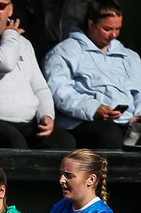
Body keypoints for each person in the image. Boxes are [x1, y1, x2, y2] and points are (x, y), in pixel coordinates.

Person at [0, 0, 75, 149]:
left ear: (10, 10)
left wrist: (46, 115)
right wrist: (11, 34)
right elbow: (4, 62)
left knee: (63, 141)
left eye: (0, 5)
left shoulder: (23, 43)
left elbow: (40, 87)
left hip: (24, 123)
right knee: (13, 142)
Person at [44, 0, 141, 149]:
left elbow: (139, 91)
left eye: (118, 29)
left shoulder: (130, 57)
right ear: (91, 24)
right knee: (109, 135)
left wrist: (139, 114)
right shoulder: (64, 52)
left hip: (128, 123)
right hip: (84, 122)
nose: (113, 35)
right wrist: (93, 109)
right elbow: (60, 91)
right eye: (107, 29)